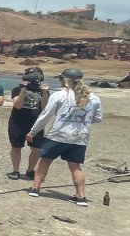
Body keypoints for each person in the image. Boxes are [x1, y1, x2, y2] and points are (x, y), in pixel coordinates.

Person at [25, 67, 103, 206]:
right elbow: (97, 118)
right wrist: (81, 120)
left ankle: (35, 188)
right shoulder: (93, 98)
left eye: (61, 79)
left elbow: (45, 115)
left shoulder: (59, 95)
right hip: (80, 137)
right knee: (75, 166)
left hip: (58, 135)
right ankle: (81, 197)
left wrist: (32, 132)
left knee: (45, 161)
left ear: (65, 80)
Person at [6, 67, 49, 180]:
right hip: (18, 122)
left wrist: (44, 93)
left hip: (36, 124)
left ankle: (30, 170)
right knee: (16, 146)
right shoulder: (17, 89)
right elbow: (18, 105)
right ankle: (16, 170)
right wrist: (23, 90)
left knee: (36, 148)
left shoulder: (42, 91)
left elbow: (44, 108)